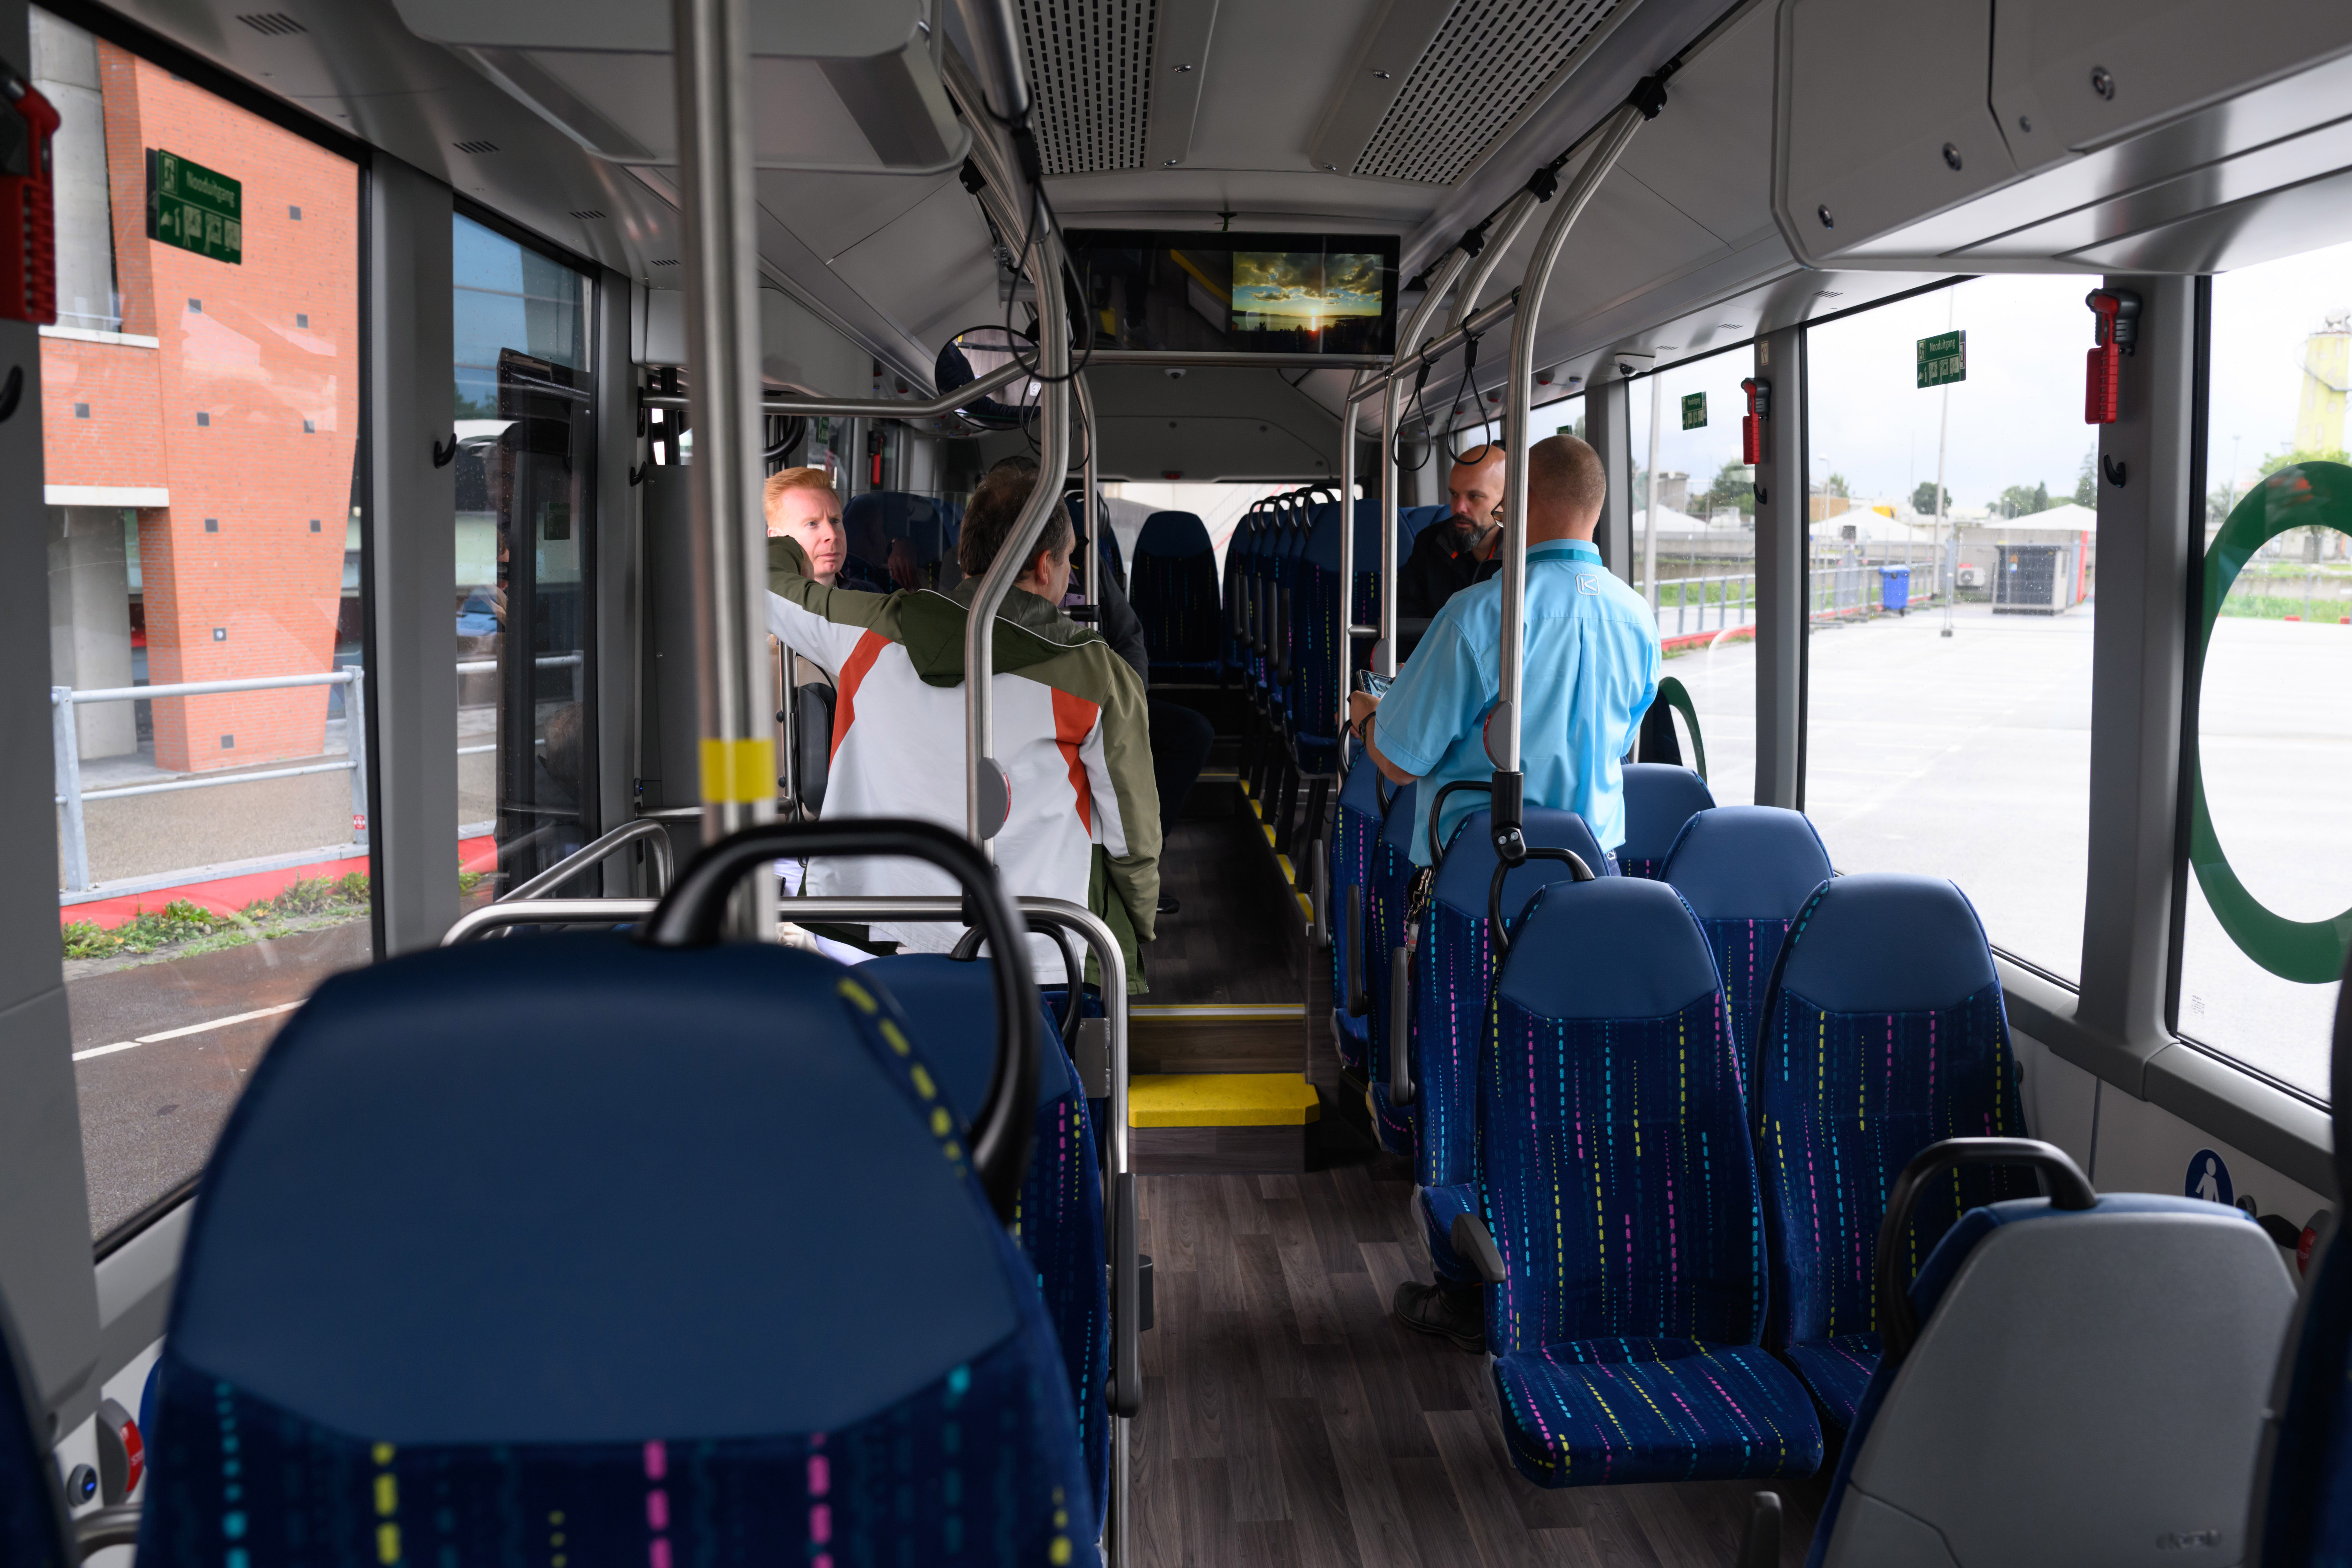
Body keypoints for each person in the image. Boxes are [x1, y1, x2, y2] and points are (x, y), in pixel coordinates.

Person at [1346, 433, 1660, 1352]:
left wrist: (1372, 712)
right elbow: (1617, 741)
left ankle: (1467, 1280)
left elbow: (1398, 757)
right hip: (1591, 883)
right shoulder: (1638, 618)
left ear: (1525, 505)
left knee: (1466, 1076)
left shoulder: (1483, 618)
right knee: (1561, 1081)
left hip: (1476, 884)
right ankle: (1562, 1267)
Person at [766, 461, 1161, 986]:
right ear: (1045, 566)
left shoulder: (864, 632)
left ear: (964, 555)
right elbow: (1131, 838)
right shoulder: (1098, 676)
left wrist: (789, 538)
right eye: (1069, 561)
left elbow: (765, 581)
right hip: (1041, 950)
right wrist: (1133, 925)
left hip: (886, 933)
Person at [1397, 443, 1509, 620]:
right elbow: (1405, 624)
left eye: (1474, 496)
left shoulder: (1526, 553)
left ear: (1505, 501)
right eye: (1454, 494)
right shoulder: (1430, 544)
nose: (1459, 508)